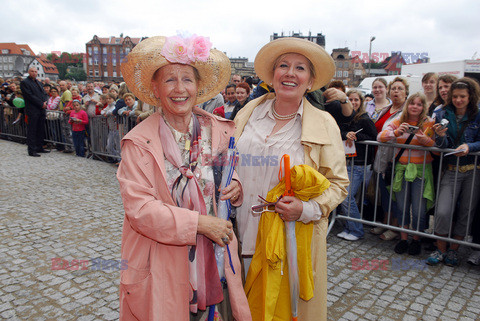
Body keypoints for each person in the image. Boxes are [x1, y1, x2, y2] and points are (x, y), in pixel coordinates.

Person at [117, 34, 251, 320]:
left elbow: (226, 171)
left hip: (215, 255)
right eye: (169, 80)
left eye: (187, 79)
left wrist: (235, 186)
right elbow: (140, 210)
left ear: (198, 86)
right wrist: (201, 224)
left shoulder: (218, 130)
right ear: (155, 88)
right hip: (163, 258)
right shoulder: (138, 142)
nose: (180, 89)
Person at [234, 37, 349, 321]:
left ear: (310, 81)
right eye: (283, 66)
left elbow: (338, 183)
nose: (289, 73)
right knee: (241, 308)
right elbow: (228, 159)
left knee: (281, 311)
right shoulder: (249, 112)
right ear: (272, 76)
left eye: (300, 68)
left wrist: (306, 210)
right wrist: (232, 180)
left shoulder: (324, 123)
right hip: (239, 229)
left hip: (289, 238)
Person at [427, 78, 480, 267]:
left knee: (467, 211)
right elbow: (442, 146)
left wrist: (470, 145)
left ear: (470, 97)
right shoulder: (442, 112)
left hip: (473, 170)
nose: (458, 100)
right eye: (455, 96)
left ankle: (453, 250)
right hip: (450, 169)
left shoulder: (477, 114)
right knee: (442, 211)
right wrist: (440, 137)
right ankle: (440, 249)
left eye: (462, 97)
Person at [377, 93, 435, 255]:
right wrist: (395, 133)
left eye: (419, 104)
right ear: (407, 105)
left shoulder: (429, 123)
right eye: (412, 104)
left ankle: (415, 240)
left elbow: (437, 145)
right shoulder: (398, 121)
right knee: (402, 207)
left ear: (423, 107)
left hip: (421, 171)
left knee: (418, 208)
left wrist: (426, 141)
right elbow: (380, 136)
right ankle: (403, 239)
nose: (415, 107)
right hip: (401, 169)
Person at [371, 77, 409, 241]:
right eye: (393, 88)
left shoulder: (407, 112)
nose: (396, 92)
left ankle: (394, 226)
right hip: (381, 157)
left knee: (394, 194)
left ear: (406, 93)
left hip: (396, 158)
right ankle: (385, 222)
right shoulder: (386, 109)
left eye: (400, 89)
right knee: (384, 194)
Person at [337, 89, 377, 241]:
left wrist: (357, 136)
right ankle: (349, 227)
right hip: (345, 162)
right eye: (350, 100)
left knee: (347, 197)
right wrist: (345, 134)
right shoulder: (345, 116)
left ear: (361, 102)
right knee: (343, 195)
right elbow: (339, 132)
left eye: (356, 100)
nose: (353, 103)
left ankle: (356, 230)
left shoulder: (364, 118)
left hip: (359, 164)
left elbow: (374, 136)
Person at [20, 67, 49, 157]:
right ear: (29, 72)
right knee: (32, 130)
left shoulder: (39, 83)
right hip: (33, 110)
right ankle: (32, 150)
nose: (34, 73)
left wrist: (45, 102)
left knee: (40, 129)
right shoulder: (25, 83)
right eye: (32, 71)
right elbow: (29, 96)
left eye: (35, 71)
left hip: (41, 109)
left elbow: (44, 94)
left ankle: (39, 147)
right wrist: (41, 104)